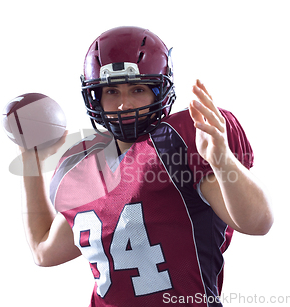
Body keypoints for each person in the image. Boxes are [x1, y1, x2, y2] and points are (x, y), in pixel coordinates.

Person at [19, 26, 273, 306]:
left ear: (159, 91)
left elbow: (258, 222)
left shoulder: (177, 145)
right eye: (112, 91)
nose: (124, 104)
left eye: (138, 89)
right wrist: (29, 160)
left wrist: (223, 161)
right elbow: (43, 250)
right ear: (95, 97)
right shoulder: (82, 169)